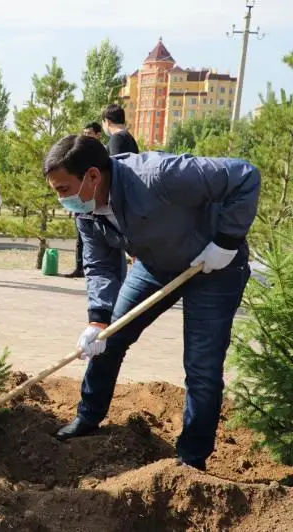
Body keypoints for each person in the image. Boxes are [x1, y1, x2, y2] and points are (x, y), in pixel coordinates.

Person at [43, 135, 259, 472]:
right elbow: (99, 265)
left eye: (63, 189)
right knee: (109, 340)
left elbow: (245, 176)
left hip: (215, 266)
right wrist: (98, 320)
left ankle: (191, 460)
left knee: (202, 367)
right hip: (155, 266)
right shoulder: (87, 211)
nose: (61, 198)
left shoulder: (158, 175)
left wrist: (226, 241)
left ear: (93, 176)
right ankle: (88, 416)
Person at [63, 122, 105, 278]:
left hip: (96, 200)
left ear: (98, 135)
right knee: (80, 234)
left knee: (97, 236)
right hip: (80, 199)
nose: (86, 136)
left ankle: (95, 267)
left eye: (89, 133)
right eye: (84, 133)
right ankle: (79, 267)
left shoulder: (103, 153)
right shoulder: (79, 152)